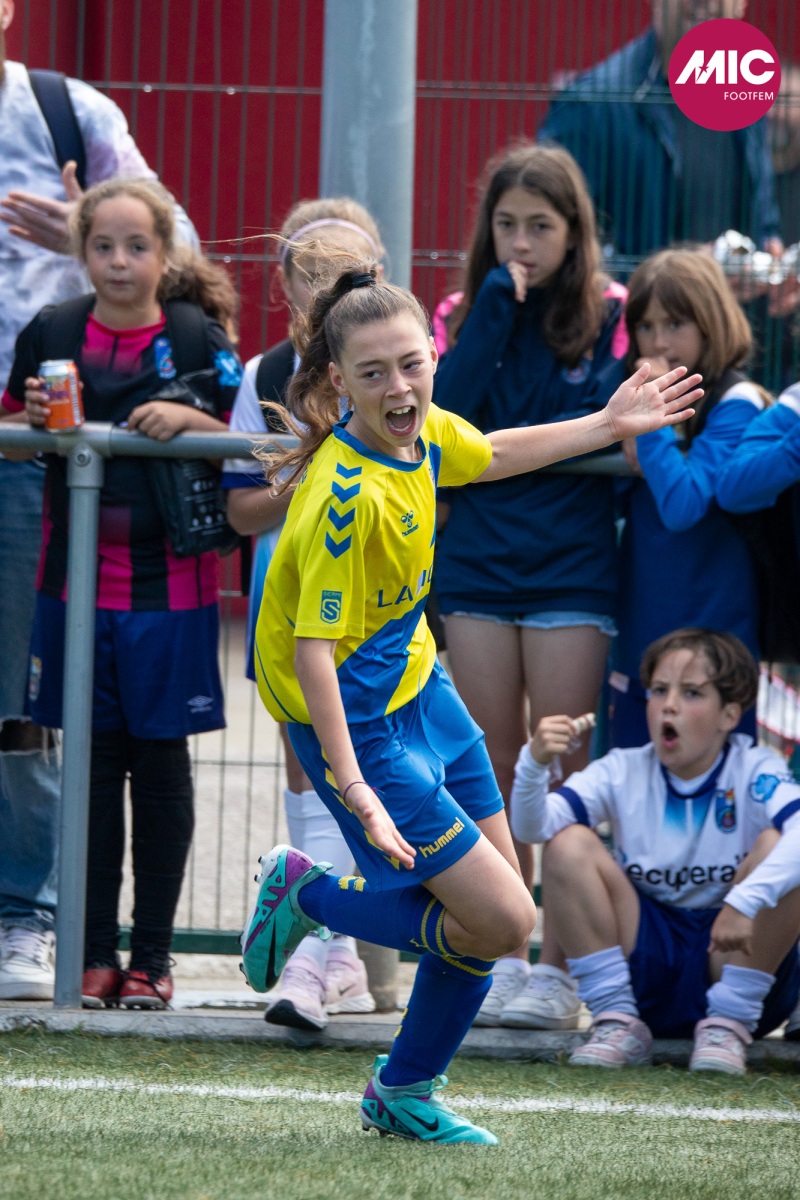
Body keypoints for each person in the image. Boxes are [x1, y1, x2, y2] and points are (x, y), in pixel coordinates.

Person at [239, 258, 702, 1143]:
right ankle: (307, 894)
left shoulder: (420, 435)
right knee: (503, 918)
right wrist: (353, 784)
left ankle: (404, 1091)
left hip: (421, 685)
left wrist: (609, 423)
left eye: (411, 364)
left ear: (433, 357)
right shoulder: (344, 498)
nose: (398, 386)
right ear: (338, 381)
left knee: (493, 919)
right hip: (356, 724)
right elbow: (313, 654)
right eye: (373, 372)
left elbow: (489, 453)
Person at [1, 177, 241, 1009]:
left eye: (137, 246)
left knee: (162, 769)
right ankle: (94, 954)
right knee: (94, 770)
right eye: (102, 245)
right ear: (81, 251)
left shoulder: (196, 336)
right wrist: (34, 423)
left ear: (165, 254)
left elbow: (254, 439)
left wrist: (192, 424)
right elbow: (10, 439)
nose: (118, 261)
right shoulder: (53, 331)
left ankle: (154, 960)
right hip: (73, 592)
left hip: (171, 593)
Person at [0, 0, 197, 1002]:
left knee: (21, 704)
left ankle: (24, 917)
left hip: (32, 453)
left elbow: (181, 247)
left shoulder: (65, 112)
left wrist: (82, 230)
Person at [431, 141, 628, 1029]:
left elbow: (607, 428)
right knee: (486, 762)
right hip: (476, 564)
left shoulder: (613, 313)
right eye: (507, 224)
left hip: (571, 568)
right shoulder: (465, 310)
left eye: (540, 227)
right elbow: (450, 416)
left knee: (558, 766)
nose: (521, 243)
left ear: (574, 231)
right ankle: (503, 953)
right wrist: (492, 311)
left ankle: (559, 968)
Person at [223, 196, 387, 1030]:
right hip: (289, 601)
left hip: (377, 605)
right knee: (309, 771)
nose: (326, 284)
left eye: (345, 269)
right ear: (284, 284)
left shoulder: (393, 361)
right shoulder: (262, 376)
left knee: (372, 775)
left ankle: (332, 955)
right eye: (309, 270)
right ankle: (328, 957)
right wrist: (306, 472)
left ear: (377, 275)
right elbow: (240, 509)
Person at [510, 628, 800, 1074]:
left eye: (692, 693)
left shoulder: (755, 768)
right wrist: (534, 765)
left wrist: (745, 901)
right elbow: (532, 827)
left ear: (729, 714)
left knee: (779, 845)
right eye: (659, 690)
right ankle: (615, 1020)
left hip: (733, 961)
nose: (669, 705)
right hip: (644, 970)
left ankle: (728, 1025)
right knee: (567, 843)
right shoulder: (623, 769)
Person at [611, 247, 767, 749]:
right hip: (642, 629)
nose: (659, 342)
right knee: (631, 775)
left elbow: (683, 506)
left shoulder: (737, 401)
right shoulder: (628, 393)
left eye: (675, 324)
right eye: (646, 326)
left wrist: (650, 425)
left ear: (710, 322)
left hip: (715, 638)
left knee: (719, 784)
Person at [538, 1, 781, 262]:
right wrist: (675, 273)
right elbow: (553, 241)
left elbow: (763, 222)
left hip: (733, 291)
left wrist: (768, 259)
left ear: (741, 5)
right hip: (636, 291)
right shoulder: (592, 103)